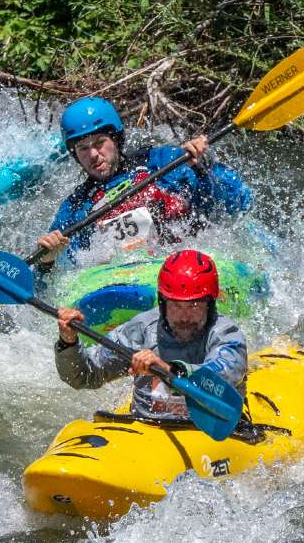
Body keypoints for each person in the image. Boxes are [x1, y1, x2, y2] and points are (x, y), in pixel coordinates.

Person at [34, 97, 252, 270]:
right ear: (75, 155)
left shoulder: (165, 162)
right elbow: (56, 280)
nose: (93, 155)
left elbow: (238, 203)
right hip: (123, 280)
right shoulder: (76, 207)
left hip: (187, 264)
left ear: (116, 140)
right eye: (83, 148)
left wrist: (204, 166)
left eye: (100, 143)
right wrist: (47, 261)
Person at [55, 250, 248, 422]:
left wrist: (169, 370)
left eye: (194, 306)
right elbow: (84, 376)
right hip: (147, 428)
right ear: (162, 302)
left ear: (210, 304)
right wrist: (68, 341)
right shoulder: (140, 330)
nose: (184, 316)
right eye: (176, 305)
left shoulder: (225, 333)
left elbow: (222, 376)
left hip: (207, 431)